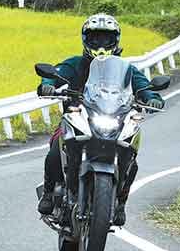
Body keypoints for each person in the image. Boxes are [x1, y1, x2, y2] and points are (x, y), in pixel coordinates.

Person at [35, 13, 165, 226]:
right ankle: (49, 193)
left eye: (106, 39)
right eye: (95, 39)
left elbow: (144, 86)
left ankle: (120, 201)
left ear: (116, 40)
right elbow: (54, 73)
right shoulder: (75, 64)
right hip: (77, 116)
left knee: (131, 155)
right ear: (86, 39)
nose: (101, 44)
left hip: (115, 118)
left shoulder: (126, 69)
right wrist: (48, 83)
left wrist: (153, 98)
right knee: (55, 149)